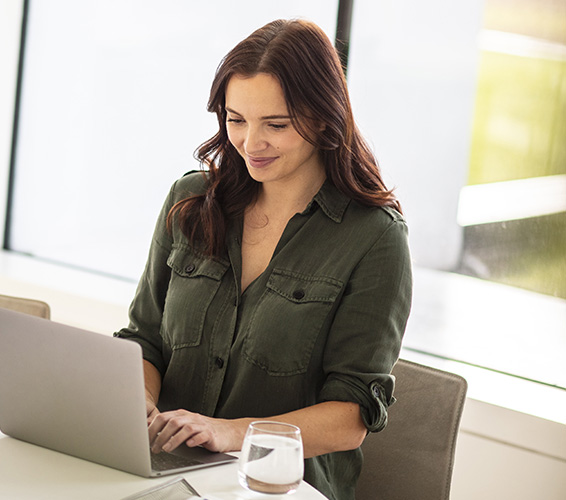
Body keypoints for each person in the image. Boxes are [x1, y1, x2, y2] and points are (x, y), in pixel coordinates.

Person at [114, 18, 412, 500]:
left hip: (276, 487)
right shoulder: (190, 201)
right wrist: (140, 404)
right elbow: (144, 338)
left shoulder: (373, 237)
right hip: (163, 476)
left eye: (276, 124)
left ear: (323, 117)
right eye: (236, 120)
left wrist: (228, 432)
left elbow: (352, 416)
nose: (251, 143)